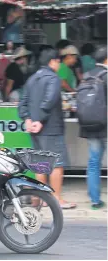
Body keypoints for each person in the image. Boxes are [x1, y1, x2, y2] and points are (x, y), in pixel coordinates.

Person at [18, 49, 77, 209]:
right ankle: (56, 198)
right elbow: (49, 101)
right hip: (51, 128)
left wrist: (28, 119)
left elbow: (22, 102)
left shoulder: (32, 79)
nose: (58, 64)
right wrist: (39, 120)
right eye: (58, 61)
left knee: (40, 163)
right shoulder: (53, 78)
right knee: (57, 164)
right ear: (53, 61)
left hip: (35, 130)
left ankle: (41, 199)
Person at [79, 46, 107, 210]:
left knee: (94, 162)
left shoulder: (87, 75)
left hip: (90, 125)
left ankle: (95, 200)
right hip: (105, 125)